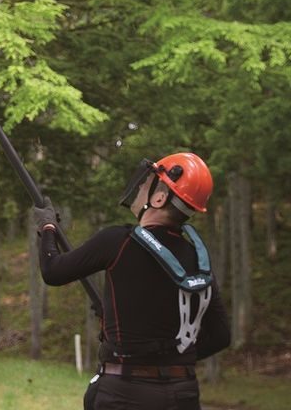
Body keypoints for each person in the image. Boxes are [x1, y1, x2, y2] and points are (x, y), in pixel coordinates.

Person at [35, 152, 230, 410]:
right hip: (183, 394)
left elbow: (53, 271)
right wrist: (171, 363)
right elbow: (220, 336)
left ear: (159, 198)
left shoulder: (119, 241)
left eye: (148, 183)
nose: (140, 186)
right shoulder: (197, 258)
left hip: (124, 394)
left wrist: (47, 228)